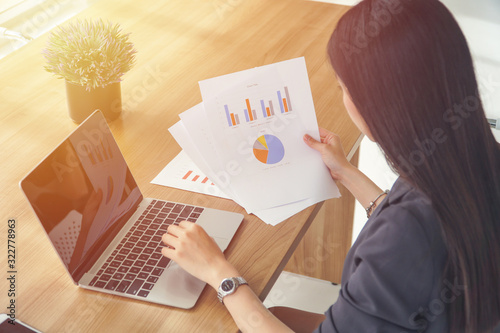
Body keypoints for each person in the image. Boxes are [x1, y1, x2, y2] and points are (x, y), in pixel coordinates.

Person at [161, 0, 500, 331]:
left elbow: (408, 238)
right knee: (275, 309)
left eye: (343, 87)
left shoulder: (401, 241)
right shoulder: (473, 157)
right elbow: (424, 223)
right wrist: (347, 173)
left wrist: (220, 273)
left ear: (375, 103)